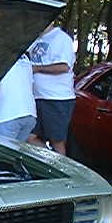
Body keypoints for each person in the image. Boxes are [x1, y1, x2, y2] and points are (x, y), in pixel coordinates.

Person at [26, 22, 76, 155]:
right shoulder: (35, 40)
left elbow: (64, 66)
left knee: (57, 141)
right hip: (36, 97)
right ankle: (49, 160)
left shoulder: (61, 38)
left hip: (57, 98)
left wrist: (37, 69)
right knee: (29, 137)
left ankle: (61, 164)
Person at [0, 54, 36, 141]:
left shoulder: (0, 57)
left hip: (8, 115)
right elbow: (32, 87)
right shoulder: (25, 58)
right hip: (30, 113)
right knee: (14, 149)